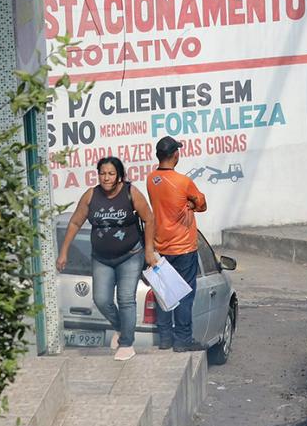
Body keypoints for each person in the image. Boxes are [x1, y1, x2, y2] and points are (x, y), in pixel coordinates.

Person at [56, 156, 158, 361]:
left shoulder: (131, 193)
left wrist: (149, 250)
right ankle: (121, 328)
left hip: (130, 255)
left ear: (119, 176)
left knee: (126, 298)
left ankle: (127, 343)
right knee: (101, 299)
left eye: (111, 173)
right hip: (101, 258)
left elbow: (149, 218)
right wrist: (64, 252)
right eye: (102, 173)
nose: (106, 177)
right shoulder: (91, 196)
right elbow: (75, 223)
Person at [145, 136, 208, 351]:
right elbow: (202, 204)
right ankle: (182, 340)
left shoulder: (151, 179)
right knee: (184, 295)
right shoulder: (183, 182)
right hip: (183, 247)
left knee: (165, 294)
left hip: (161, 245)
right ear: (175, 155)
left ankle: (165, 339)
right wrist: (191, 202)